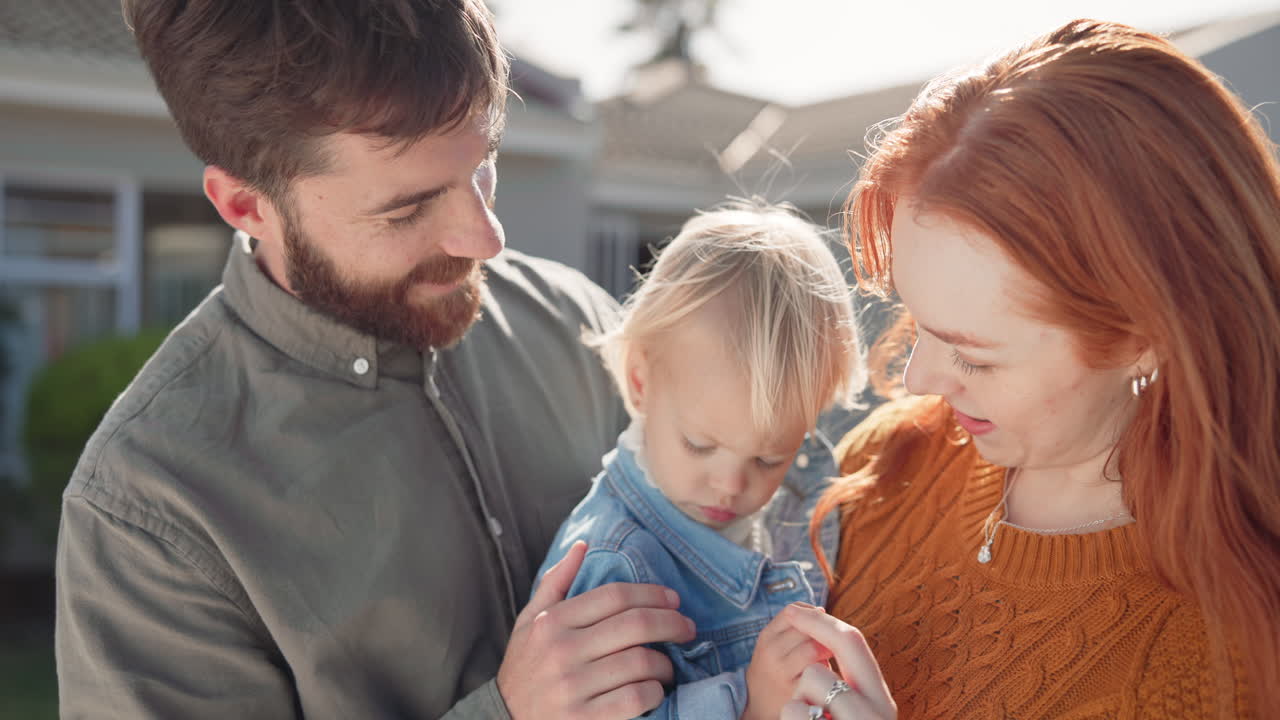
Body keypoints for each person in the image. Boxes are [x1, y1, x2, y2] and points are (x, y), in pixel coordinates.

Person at [56, 2, 700, 718]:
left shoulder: (578, 326)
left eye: (483, 167)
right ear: (245, 205)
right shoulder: (150, 509)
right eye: (406, 211)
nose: (484, 238)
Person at [778, 18, 1280, 720]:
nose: (917, 380)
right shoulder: (880, 468)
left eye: (974, 355)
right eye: (916, 322)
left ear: (1147, 334)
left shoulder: (1231, 665)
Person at [533, 201, 867, 720]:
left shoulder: (809, 485)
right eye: (699, 445)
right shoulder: (616, 567)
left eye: (768, 457)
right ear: (642, 383)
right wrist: (750, 706)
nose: (732, 484)